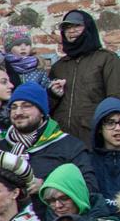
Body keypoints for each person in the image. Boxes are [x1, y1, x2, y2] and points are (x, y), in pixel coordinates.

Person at [4, 80, 95, 189]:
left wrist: (46, 187)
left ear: (42, 112)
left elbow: (88, 187)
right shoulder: (0, 148)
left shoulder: (70, 147)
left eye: (26, 106)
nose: (18, 112)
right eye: (14, 107)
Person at [48, 9, 120, 146]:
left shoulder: (106, 59)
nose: (71, 31)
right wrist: (53, 94)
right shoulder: (58, 67)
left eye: (77, 26)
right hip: (61, 138)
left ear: (88, 28)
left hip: (94, 138)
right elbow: (46, 108)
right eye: (67, 27)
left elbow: (115, 100)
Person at [91, 97, 120, 212]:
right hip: (97, 220)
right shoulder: (88, 162)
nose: (117, 128)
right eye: (110, 123)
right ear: (99, 128)